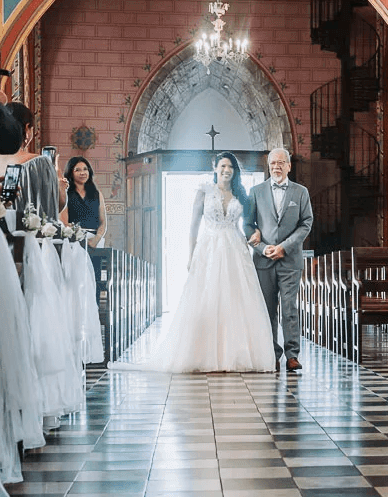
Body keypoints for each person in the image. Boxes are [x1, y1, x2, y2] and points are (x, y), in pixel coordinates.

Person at [114, 152, 276, 373]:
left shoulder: (241, 195)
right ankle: (205, 354)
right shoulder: (204, 192)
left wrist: (256, 231)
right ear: (215, 168)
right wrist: (191, 256)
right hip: (209, 248)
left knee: (235, 299)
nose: (226, 170)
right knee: (207, 298)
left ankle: (234, 354)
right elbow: (193, 227)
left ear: (235, 170)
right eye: (222, 166)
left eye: (230, 167)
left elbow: (250, 224)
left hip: (235, 249)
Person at [244, 148, 314, 372]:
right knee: (268, 309)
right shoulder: (255, 192)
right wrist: (263, 248)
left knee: (289, 308)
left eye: (281, 163)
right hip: (263, 261)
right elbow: (247, 225)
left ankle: (292, 355)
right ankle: (272, 354)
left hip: (290, 260)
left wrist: (284, 247)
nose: (277, 166)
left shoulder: (301, 192)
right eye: (273, 163)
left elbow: (306, 223)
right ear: (269, 166)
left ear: (289, 166)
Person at [0, 103, 63, 219]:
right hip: (28, 229)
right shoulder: (40, 163)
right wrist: (59, 180)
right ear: (26, 128)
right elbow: (54, 207)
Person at [61, 156, 106, 244]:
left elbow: (103, 222)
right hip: (73, 240)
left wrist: (97, 238)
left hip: (95, 240)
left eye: (85, 169)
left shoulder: (97, 194)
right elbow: (64, 222)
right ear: (71, 173)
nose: (82, 173)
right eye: (77, 170)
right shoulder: (66, 194)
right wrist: (77, 236)